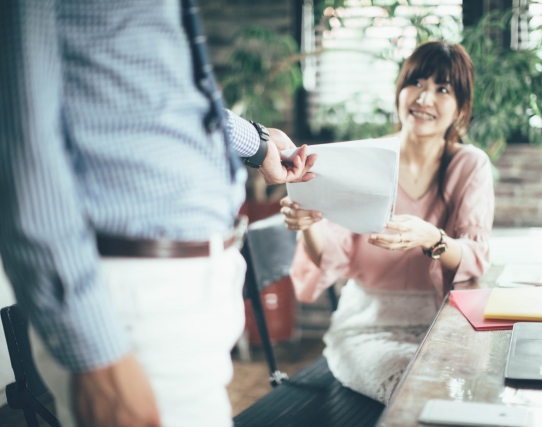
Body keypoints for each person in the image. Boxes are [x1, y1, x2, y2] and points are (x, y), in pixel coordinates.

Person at [0, 1, 316, 427]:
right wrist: (95, 352)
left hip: (187, 289)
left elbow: (160, 97)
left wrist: (257, 144)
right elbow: (22, 142)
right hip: (132, 298)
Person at [281, 40, 495, 404]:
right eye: (416, 83)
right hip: (368, 326)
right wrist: (309, 222)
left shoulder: (470, 165)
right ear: (400, 91)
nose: (424, 98)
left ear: (461, 107)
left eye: (442, 89)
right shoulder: (364, 158)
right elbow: (330, 256)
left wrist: (431, 237)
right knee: (418, 391)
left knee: (473, 390)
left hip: (445, 325)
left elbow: (475, 255)